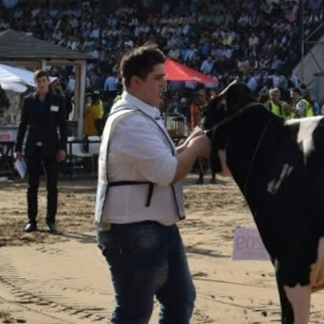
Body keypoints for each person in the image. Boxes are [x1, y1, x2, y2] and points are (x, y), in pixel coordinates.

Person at [95, 44, 212, 324]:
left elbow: (166, 159)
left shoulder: (140, 114)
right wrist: (196, 149)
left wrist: (191, 142)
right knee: (134, 313)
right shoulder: (131, 122)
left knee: (179, 300)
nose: (165, 84)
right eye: (158, 79)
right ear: (136, 82)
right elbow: (167, 172)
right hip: (133, 229)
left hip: (154, 225)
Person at [15, 70, 69, 233]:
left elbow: (63, 126)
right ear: (35, 83)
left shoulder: (58, 100)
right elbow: (23, 125)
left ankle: (50, 221)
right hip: (32, 147)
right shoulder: (29, 100)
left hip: (52, 147)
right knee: (32, 186)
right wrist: (18, 148)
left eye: (44, 81)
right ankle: (32, 220)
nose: (42, 84)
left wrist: (62, 148)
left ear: (48, 82)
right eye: (39, 81)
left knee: (52, 186)